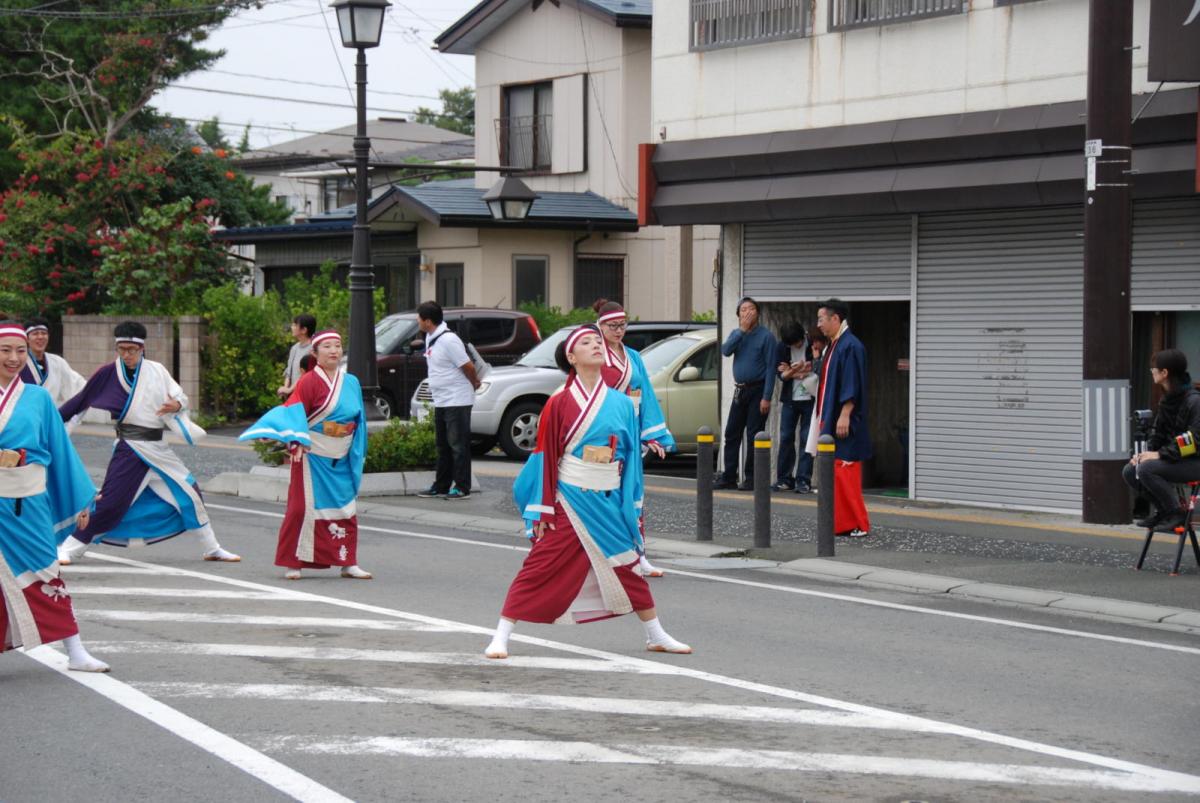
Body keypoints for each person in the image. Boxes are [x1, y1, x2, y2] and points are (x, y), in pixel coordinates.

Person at [483, 325, 691, 659]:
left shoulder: (622, 404)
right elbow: (545, 458)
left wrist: (630, 503)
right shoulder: (558, 402)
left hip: (607, 497)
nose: (596, 346)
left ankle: (656, 634)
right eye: (586, 343)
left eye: (598, 341)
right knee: (539, 565)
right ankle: (501, 635)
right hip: (569, 497)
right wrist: (543, 508)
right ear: (571, 356)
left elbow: (630, 461)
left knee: (629, 566)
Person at [55, 321, 240, 564]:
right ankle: (70, 546)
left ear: (142, 348)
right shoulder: (108, 373)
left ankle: (211, 547)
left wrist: (177, 405)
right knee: (110, 503)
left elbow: (179, 396)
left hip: (159, 448)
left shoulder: (157, 371)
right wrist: (51, 423)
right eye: (122, 349)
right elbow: (80, 402)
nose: (127, 355)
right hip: (130, 447)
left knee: (190, 493)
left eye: (132, 349)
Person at [0, 323, 108, 672]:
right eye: (6, 351)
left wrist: (80, 500)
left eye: (20, 351)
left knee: (47, 573)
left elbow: (59, 450)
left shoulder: (38, 398)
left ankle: (75, 652)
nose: (14, 358)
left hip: (27, 502)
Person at [239, 330, 372, 580]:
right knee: (301, 508)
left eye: (338, 346)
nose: (334, 351)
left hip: (342, 454)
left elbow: (360, 420)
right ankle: (294, 562)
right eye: (327, 347)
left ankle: (348, 562)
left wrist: (357, 451)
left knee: (346, 509)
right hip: (313, 453)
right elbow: (292, 411)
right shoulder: (309, 381)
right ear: (315, 353)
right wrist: (289, 436)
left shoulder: (351, 382)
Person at [593, 299, 671, 577]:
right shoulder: (594, 353)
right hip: (603, 433)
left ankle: (638, 555)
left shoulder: (633, 356)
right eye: (612, 326)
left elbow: (646, 394)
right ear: (600, 326)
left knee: (633, 494)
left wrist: (654, 436)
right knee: (603, 494)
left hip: (631, 430)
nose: (618, 331)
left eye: (622, 325)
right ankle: (601, 554)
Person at [1123, 349, 1200, 532]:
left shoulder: (1194, 401)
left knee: (1147, 469)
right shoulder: (1167, 400)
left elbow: (1195, 440)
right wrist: (1143, 455)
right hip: (1175, 459)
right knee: (1130, 470)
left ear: (1164, 373)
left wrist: (1158, 454)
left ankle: (1176, 514)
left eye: (1153, 369)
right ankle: (1164, 512)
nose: (1152, 372)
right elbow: (1158, 434)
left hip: (1194, 461)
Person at [814, 299, 871, 537]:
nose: (819, 325)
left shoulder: (850, 345)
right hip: (832, 417)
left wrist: (845, 414)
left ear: (835, 318)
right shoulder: (835, 345)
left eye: (821, 319)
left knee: (846, 471)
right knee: (836, 472)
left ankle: (858, 523)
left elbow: (852, 383)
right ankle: (841, 523)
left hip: (844, 419)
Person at [414, 301, 480, 501]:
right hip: (442, 399)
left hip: (457, 399)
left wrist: (474, 382)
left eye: (419, 318)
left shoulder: (449, 340)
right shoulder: (430, 337)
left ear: (427, 321)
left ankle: (462, 487)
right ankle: (441, 485)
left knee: (458, 445)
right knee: (442, 445)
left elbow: (467, 366)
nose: (417, 321)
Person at [714, 297, 777, 490]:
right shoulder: (736, 334)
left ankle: (752, 478)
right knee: (731, 432)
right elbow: (725, 351)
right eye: (743, 310)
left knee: (753, 435)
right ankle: (729, 476)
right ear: (738, 315)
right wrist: (741, 330)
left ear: (757, 313)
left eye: (750, 309)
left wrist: (767, 396)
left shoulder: (766, 337)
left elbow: (771, 368)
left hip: (758, 390)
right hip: (740, 389)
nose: (747, 312)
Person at [772, 321, 816, 493]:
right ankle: (784, 479)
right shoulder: (781, 347)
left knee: (807, 438)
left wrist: (791, 371)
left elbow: (817, 368)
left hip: (810, 398)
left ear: (802, 336)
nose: (796, 346)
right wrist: (796, 371)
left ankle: (803, 480)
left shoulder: (812, 343)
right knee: (786, 438)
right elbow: (781, 376)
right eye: (792, 344)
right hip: (790, 399)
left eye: (798, 342)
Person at [19, 316, 86, 405]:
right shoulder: (19, 361)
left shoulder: (58, 362)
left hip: (49, 414)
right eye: (35, 334)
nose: (40, 337)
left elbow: (76, 383)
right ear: (27, 339)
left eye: (44, 333)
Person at [278, 313, 315, 400]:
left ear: (304, 330)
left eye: (295, 325)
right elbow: (289, 371)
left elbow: (305, 374)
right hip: (292, 396)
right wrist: (285, 389)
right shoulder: (294, 348)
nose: (292, 327)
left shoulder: (313, 350)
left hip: (305, 395)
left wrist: (289, 389)